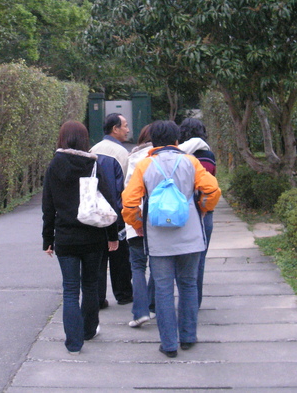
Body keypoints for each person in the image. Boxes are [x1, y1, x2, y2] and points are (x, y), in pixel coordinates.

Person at [122, 120, 221, 358]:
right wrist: (203, 208)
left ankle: (168, 344)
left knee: (163, 289)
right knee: (188, 284)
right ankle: (188, 337)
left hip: (158, 239)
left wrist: (138, 224)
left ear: (153, 141)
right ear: (177, 140)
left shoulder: (145, 165)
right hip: (190, 236)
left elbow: (129, 203)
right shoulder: (191, 161)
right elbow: (212, 190)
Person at [42, 120, 119, 355]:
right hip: (93, 236)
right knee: (90, 285)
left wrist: (47, 239)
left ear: (62, 138)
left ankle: (74, 343)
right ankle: (89, 330)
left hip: (66, 237)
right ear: (85, 140)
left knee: (70, 289)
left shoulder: (54, 165)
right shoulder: (93, 165)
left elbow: (48, 206)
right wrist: (112, 236)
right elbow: (109, 202)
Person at [90, 113, 133, 308]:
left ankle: (98, 298)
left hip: (95, 214)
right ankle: (123, 294)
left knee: (98, 259)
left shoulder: (93, 150)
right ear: (115, 129)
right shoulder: (122, 153)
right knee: (120, 258)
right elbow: (125, 187)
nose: (128, 130)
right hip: (117, 215)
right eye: (125, 126)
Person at [179, 118, 217, 308]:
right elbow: (209, 185)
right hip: (203, 212)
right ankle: (195, 301)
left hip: (179, 210)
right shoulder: (208, 155)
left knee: (176, 258)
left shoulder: (177, 154)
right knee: (199, 259)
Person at [124, 124, 156, 327]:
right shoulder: (164, 158)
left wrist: (135, 222)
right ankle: (152, 306)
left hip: (136, 219)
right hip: (160, 220)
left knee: (137, 266)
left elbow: (128, 193)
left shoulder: (134, 158)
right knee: (157, 265)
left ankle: (140, 311)